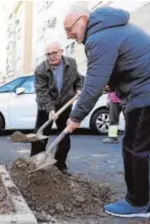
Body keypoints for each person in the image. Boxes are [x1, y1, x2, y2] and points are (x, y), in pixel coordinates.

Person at [64, 6, 150, 217]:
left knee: (134, 149)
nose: (69, 35)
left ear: (83, 19)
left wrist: (75, 117)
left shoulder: (99, 38)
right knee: (143, 148)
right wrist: (111, 83)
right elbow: (121, 64)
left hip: (144, 93)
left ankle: (138, 203)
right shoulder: (110, 28)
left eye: (69, 29)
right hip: (143, 89)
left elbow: (93, 85)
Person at [32, 41, 82, 175]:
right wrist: (50, 109)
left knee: (64, 136)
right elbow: (41, 92)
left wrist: (78, 89)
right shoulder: (41, 69)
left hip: (65, 105)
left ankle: (60, 165)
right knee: (40, 136)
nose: (51, 56)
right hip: (45, 106)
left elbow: (78, 79)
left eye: (54, 53)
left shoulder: (71, 63)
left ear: (61, 51)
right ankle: (35, 163)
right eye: (48, 54)